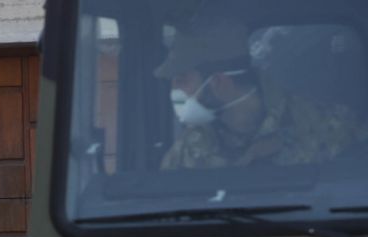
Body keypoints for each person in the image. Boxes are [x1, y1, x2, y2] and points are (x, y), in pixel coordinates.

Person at [156, 19, 368, 170]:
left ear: (218, 82)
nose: (175, 89)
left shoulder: (329, 125)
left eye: (182, 79)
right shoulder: (189, 148)